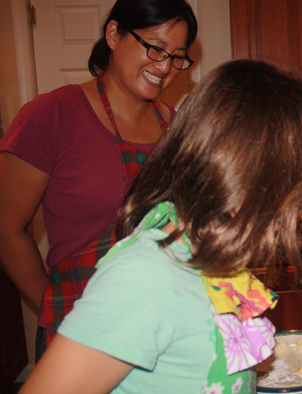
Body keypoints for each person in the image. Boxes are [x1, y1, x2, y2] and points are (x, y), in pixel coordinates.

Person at [18, 59, 302, 394]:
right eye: (294, 192)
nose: (298, 212)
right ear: (245, 176)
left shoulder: (212, 258)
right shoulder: (147, 278)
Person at [0, 0, 198, 360]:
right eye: (155, 47)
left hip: (161, 326)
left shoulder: (177, 125)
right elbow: (6, 229)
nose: (165, 66)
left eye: (177, 56)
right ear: (113, 34)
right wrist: (56, 310)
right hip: (79, 330)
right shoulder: (51, 115)